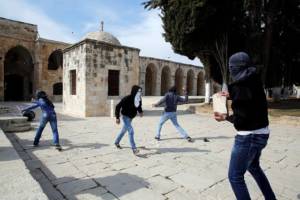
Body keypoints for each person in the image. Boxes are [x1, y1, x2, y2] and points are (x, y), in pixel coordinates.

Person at [215, 52, 276, 200]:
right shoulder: (255, 80)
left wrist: (225, 117)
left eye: (231, 68)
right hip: (263, 133)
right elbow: (251, 101)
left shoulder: (239, 86)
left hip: (249, 137)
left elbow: (241, 121)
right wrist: (232, 95)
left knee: (235, 176)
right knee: (253, 167)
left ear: (235, 68)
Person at [114, 85, 143, 155]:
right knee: (131, 131)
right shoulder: (127, 98)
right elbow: (118, 106)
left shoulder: (138, 99)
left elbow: (139, 106)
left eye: (140, 92)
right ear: (134, 91)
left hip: (131, 117)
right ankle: (134, 149)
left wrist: (140, 112)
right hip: (125, 117)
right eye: (138, 91)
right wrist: (117, 117)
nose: (140, 93)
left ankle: (116, 142)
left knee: (123, 131)